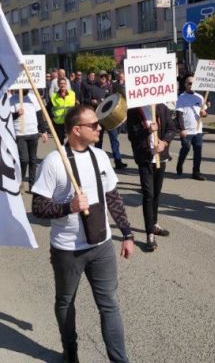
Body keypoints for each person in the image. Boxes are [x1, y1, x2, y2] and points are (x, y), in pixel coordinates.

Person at [31, 105, 135, 363]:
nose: (99, 127)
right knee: (65, 302)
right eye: (93, 125)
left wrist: (127, 233)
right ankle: (71, 353)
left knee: (109, 305)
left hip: (102, 245)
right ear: (76, 130)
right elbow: (37, 208)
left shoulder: (100, 156)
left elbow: (112, 196)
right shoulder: (55, 162)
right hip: (68, 250)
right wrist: (69, 206)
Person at [126, 103, 175, 251]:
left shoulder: (162, 108)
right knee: (148, 194)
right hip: (145, 159)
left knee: (157, 194)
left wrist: (164, 142)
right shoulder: (135, 111)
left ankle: (154, 223)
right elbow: (132, 136)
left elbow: (171, 128)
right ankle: (149, 234)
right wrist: (148, 130)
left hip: (161, 158)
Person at [11, 89, 49, 191]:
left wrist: (44, 131)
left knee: (33, 160)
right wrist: (16, 114)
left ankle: (32, 185)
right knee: (23, 159)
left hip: (33, 132)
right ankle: (20, 180)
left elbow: (39, 116)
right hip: (19, 133)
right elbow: (7, 118)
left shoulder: (33, 98)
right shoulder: (11, 100)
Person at [175, 75, 207, 180]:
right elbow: (179, 115)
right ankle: (180, 163)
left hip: (198, 129)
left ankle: (196, 172)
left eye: (193, 83)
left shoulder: (200, 97)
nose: (192, 85)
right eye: (189, 83)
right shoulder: (181, 97)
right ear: (185, 85)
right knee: (186, 148)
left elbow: (204, 113)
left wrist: (204, 113)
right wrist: (182, 129)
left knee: (198, 150)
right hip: (187, 130)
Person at [50, 78, 77, 144]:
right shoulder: (54, 96)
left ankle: (69, 151)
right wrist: (51, 117)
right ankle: (62, 152)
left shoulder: (72, 94)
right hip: (58, 122)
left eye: (64, 83)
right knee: (60, 141)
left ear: (66, 84)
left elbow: (75, 106)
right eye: (61, 83)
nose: (62, 85)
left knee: (72, 139)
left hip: (69, 120)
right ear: (58, 85)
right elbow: (49, 108)